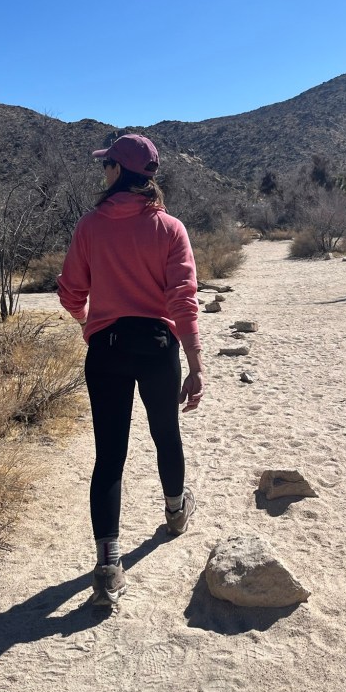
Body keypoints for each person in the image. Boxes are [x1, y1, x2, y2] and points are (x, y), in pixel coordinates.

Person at [57, 133, 204, 606]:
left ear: (119, 171)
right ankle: (176, 512)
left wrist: (89, 322)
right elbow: (183, 300)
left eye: (107, 165)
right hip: (157, 346)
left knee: (109, 456)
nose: (103, 171)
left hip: (106, 348)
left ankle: (108, 567)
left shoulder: (90, 227)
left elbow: (70, 292)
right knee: (166, 433)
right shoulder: (170, 229)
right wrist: (196, 364)